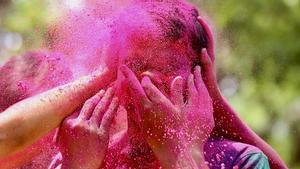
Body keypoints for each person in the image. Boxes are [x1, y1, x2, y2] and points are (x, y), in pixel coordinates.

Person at [0, 0, 286, 168]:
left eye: (168, 68)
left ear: (198, 77)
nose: (147, 81)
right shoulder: (80, 154)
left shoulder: (239, 161)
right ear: (114, 74)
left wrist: (181, 153)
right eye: (135, 67)